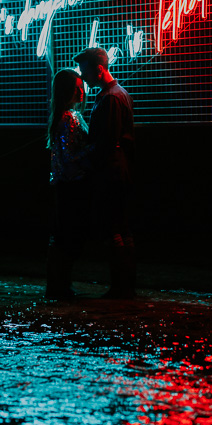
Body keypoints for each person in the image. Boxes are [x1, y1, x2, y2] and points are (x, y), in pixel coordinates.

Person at [73, 47, 136, 298]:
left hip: (110, 172)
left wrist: (85, 161)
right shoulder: (119, 94)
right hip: (118, 169)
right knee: (121, 227)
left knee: (113, 228)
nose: (82, 75)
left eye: (85, 69)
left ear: (98, 69)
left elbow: (105, 143)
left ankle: (120, 287)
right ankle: (125, 285)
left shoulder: (109, 98)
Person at [46, 68, 91, 299]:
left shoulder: (65, 116)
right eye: (77, 88)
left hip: (65, 184)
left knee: (63, 235)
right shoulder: (69, 118)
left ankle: (59, 284)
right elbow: (70, 156)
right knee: (68, 235)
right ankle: (60, 285)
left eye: (82, 87)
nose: (82, 92)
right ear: (67, 90)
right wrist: (93, 152)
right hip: (71, 185)